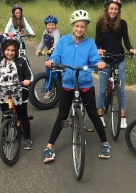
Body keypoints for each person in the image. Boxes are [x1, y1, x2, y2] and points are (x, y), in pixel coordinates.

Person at [42, 9, 110, 163]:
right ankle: (49, 147)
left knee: (93, 114)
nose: (80, 29)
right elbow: (56, 55)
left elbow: (94, 58)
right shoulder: (64, 41)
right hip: (68, 83)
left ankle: (105, 144)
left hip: (85, 83)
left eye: (83, 26)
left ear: (86, 28)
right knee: (61, 115)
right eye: (77, 26)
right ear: (73, 25)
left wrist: (98, 63)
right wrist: (52, 61)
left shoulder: (90, 43)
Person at [95, 0, 136, 129]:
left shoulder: (123, 23)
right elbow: (97, 42)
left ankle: (123, 117)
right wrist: (98, 50)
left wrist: (131, 49)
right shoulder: (100, 23)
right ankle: (100, 115)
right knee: (102, 89)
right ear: (107, 9)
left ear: (118, 10)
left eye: (116, 9)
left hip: (119, 58)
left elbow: (126, 41)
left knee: (121, 90)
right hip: (105, 60)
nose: (113, 11)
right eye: (111, 8)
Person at [0, 39, 34, 150]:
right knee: (6, 115)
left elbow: (29, 75)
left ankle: (27, 138)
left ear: (16, 51)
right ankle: (3, 138)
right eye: (8, 50)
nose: (10, 52)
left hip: (19, 93)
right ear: (3, 50)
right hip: (3, 93)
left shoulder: (21, 61)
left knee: (23, 116)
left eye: (13, 50)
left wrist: (27, 80)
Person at [35, 15, 61, 98]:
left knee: (59, 71)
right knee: (48, 70)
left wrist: (53, 48)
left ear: (55, 25)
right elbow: (42, 42)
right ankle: (50, 89)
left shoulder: (56, 32)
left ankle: (58, 88)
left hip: (58, 53)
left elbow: (57, 41)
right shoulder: (45, 32)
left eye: (52, 25)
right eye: (49, 25)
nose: (51, 26)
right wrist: (39, 49)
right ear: (46, 25)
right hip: (51, 53)